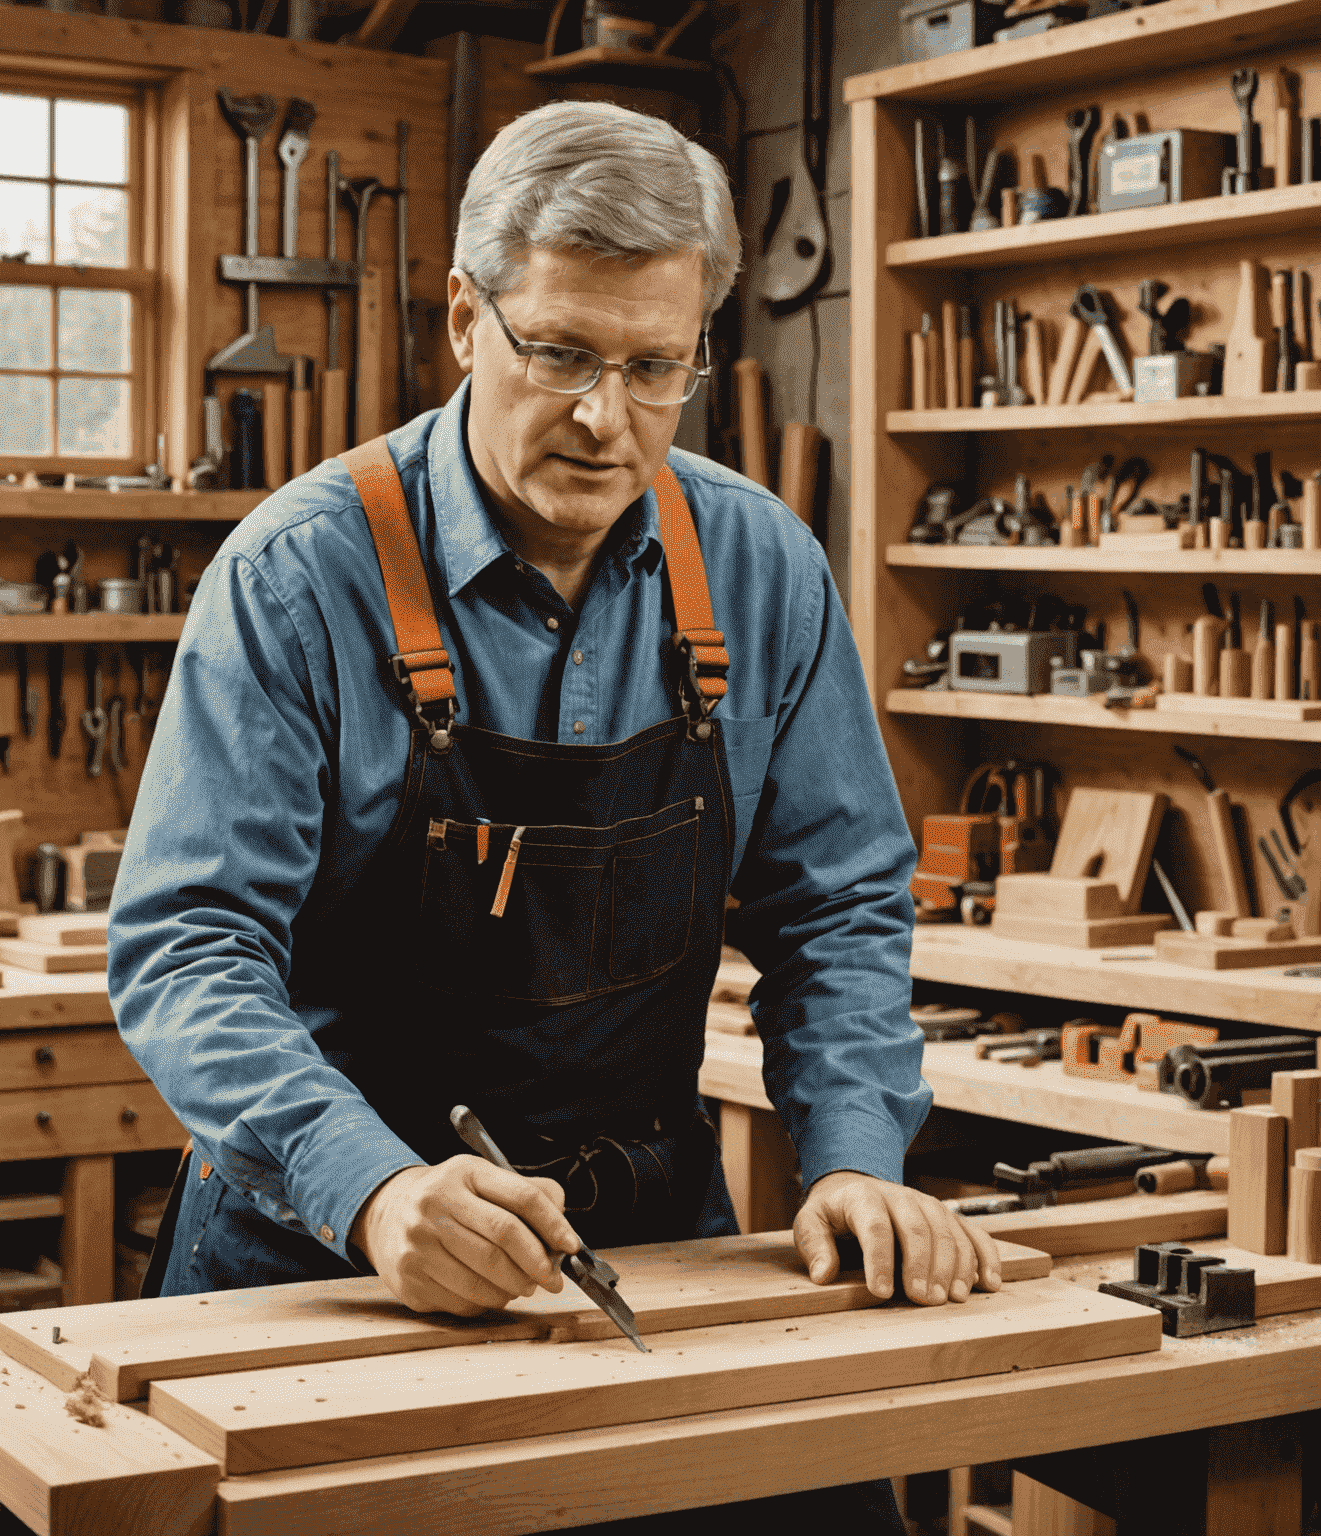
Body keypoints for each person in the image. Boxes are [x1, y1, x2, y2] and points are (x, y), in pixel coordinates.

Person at [109, 98, 999, 1530]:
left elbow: (835, 904)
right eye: (564, 352)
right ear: (466, 317)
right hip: (328, 1260)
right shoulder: (298, 577)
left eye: (657, 368)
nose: (607, 418)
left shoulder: (761, 568)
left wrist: (852, 1155)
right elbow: (190, 947)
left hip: (640, 1240)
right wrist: (380, 1192)